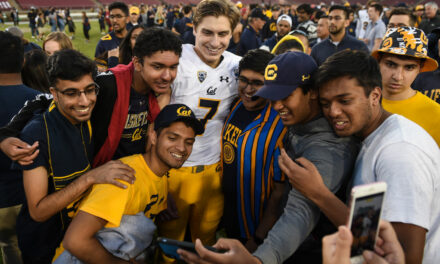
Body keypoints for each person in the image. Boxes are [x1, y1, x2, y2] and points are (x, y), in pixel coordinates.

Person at [180, 51, 358, 264]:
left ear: (311, 91)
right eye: (273, 97)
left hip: (298, 251)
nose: (276, 106)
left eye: (285, 97)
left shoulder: (325, 148)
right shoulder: (297, 118)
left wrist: (259, 260)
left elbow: (300, 212)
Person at [280, 49, 440, 264]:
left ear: (374, 96)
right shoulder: (371, 136)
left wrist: (319, 194)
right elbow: (371, 226)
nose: (333, 112)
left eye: (344, 101)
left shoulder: (400, 153)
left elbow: (403, 256)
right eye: (326, 104)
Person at [0, 28, 181, 172]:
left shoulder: (160, 91)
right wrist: (6, 135)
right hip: (98, 179)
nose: (167, 75)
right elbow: (44, 100)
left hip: (137, 178)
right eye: (158, 67)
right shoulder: (109, 83)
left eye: (173, 67)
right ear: (138, 63)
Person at [16, 49, 136, 264]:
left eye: (89, 90)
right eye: (71, 93)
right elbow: (38, 211)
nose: (84, 101)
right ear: (54, 93)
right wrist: (91, 177)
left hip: (75, 237)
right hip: (44, 246)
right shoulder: (37, 134)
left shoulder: (88, 117)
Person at [60, 104, 204, 263]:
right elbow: (74, 241)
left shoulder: (160, 177)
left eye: (189, 142)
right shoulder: (124, 178)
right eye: (172, 138)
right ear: (154, 136)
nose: (181, 148)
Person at [157, 0, 241, 258]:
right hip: (174, 170)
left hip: (214, 170)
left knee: (206, 246)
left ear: (233, 33)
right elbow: (156, 120)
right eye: (207, 32)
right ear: (193, 28)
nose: (215, 41)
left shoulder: (238, 66)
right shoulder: (175, 59)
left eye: (223, 33)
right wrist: (158, 180)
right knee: (169, 245)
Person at [221, 50, 286, 252]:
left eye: (257, 83)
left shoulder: (280, 125)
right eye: (244, 80)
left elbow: (280, 191)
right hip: (229, 214)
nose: (248, 89)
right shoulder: (235, 105)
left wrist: (258, 238)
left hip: (255, 227)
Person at [0, 31, 40, 264]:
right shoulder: (42, 100)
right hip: (36, 197)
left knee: (11, 251)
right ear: (23, 61)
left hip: (4, 200)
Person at [372, 27, 440, 146]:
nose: (398, 76)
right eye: (391, 64)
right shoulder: (360, 102)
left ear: (420, 68)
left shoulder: (435, 115)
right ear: (379, 62)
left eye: (409, 67)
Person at [95, 1, 129, 69]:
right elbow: (99, 73)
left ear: (127, 19)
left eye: (119, 16)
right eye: (112, 17)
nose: (114, 20)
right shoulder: (103, 42)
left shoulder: (135, 39)